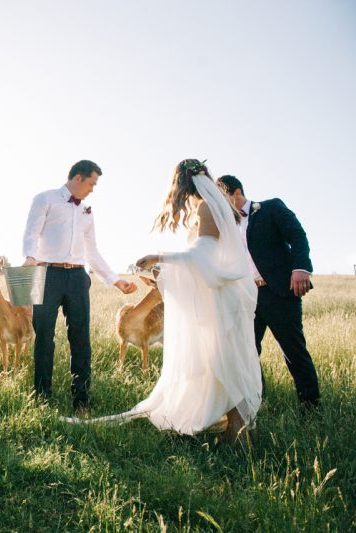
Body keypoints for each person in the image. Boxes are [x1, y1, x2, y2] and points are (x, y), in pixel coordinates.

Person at [95, 159, 262, 442]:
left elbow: (202, 257)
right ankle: (234, 428)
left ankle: (236, 431)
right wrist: (166, 272)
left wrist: (159, 257)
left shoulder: (207, 208)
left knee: (221, 359)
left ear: (183, 184)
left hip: (219, 302)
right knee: (225, 358)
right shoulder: (218, 206)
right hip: (225, 297)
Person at [22, 160, 136, 413]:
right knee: (44, 338)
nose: (93, 189)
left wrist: (115, 280)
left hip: (77, 277)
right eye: (92, 183)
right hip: (46, 273)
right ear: (78, 179)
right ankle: (42, 398)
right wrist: (30, 257)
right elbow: (31, 233)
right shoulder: (45, 199)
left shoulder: (86, 211)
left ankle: (81, 400)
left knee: (81, 338)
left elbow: (92, 251)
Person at [217, 174, 320, 408]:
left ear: (236, 193)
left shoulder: (270, 208)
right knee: (247, 352)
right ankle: (259, 402)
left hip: (279, 293)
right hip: (247, 297)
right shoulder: (225, 228)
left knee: (293, 351)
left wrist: (301, 268)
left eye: (223, 198)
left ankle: (311, 407)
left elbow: (297, 235)